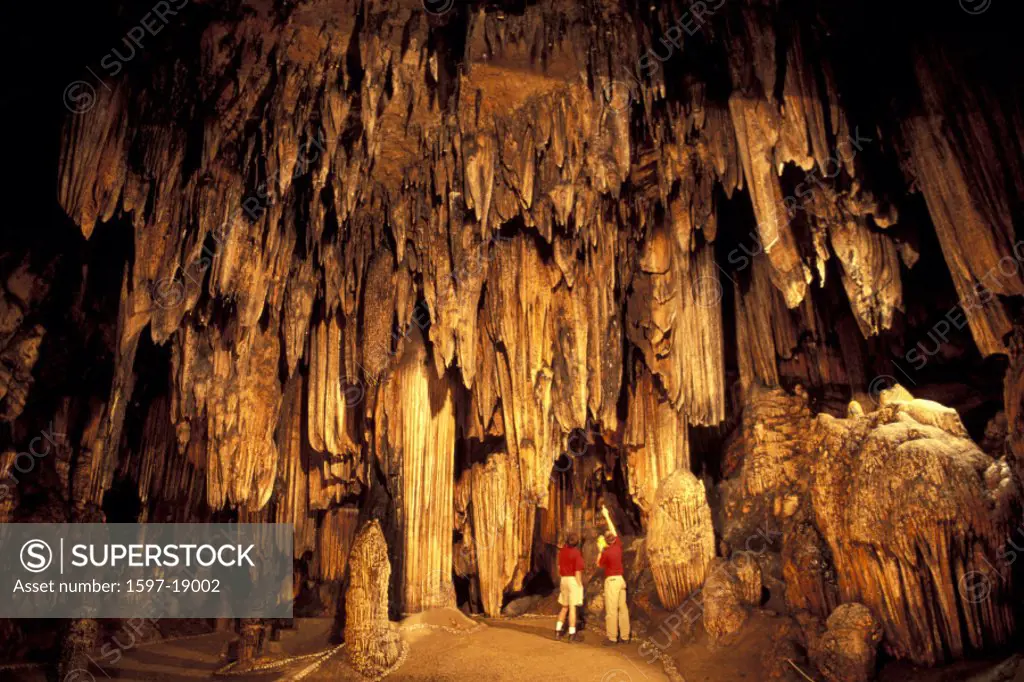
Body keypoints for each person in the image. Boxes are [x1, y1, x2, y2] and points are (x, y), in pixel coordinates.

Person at [598, 505, 630, 645]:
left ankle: (612, 637)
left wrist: (600, 550)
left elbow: (598, 564)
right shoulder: (617, 546)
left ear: (606, 541)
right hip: (621, 581)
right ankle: (625, 636)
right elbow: (614, 531)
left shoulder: (606, 552)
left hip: (611, 581)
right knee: (623, 608)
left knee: (611, 610)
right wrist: (606, 515)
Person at [555, 531, 585, 642]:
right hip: (573, 580)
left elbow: (558, 568)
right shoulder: (576, 553)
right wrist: (580, 585)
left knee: (564, 607)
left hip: (563, 579)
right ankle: (572, 634)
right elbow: (578, 572)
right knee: (572, 608)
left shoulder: (562, 552)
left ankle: (557, 631)